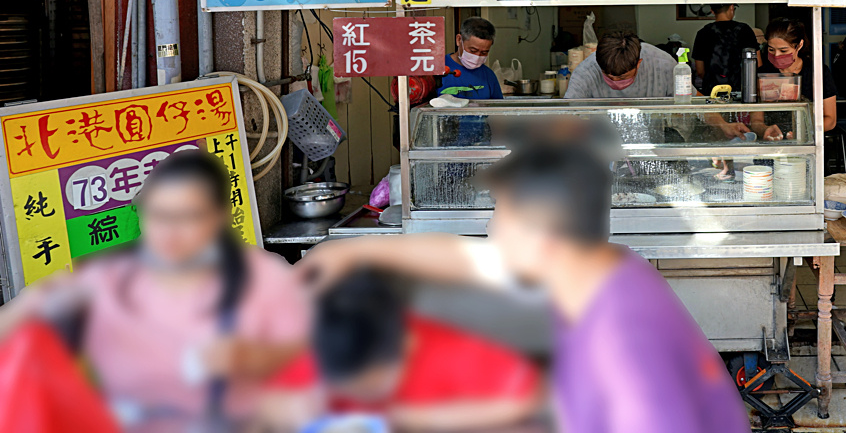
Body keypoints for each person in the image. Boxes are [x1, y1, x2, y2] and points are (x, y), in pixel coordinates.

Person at [299, 140, 751, 433]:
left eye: (501, 211)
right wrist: (356, 253)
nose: (492, 225)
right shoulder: (599, 266)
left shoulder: (619, 339)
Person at [0, 149, 309, 429]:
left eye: (187, 216)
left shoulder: (261, 274)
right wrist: (33, 303)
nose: (169, 231)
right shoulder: (109, 282)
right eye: (157, 215)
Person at [255, 269, 541, 431]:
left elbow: (524, 400)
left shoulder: (455, 351)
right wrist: (291, 411)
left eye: (369, 384)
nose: (356, 395)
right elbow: (262, 402)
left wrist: (411, 418)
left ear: (407, 343)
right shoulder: (326, 343)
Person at [565, 31, 749, 139]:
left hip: (654, 145)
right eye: (608, 76)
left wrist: (724, 125)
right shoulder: (586, 72)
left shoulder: (661, 64)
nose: (615, 83)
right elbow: (565, 117)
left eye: (622, 78)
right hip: (601, 149)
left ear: (639, 63)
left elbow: (694, 101)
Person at [749, 17, 838, 138]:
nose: (777, 55)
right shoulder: (763, 74)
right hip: (772, 143)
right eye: (771, 50)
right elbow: (756, 121)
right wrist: (766, 130)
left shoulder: (817, 72)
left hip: (809, 142)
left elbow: (830, 119)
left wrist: (802, 131)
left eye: (783, 50)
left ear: (799, 45)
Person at [691, 4, 760, 96]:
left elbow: (700, 70)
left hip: (712, 91)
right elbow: (758, 63)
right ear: (731, 8)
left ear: (712, 11)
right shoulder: (744, 30)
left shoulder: (703, 33)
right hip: (742, 90)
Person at [441, 16, 503, 100]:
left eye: (484, 52)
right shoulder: (437, 69)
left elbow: (497, 109)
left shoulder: (488, 76)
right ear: (459, 40)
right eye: (473, 51)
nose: (477, 57)